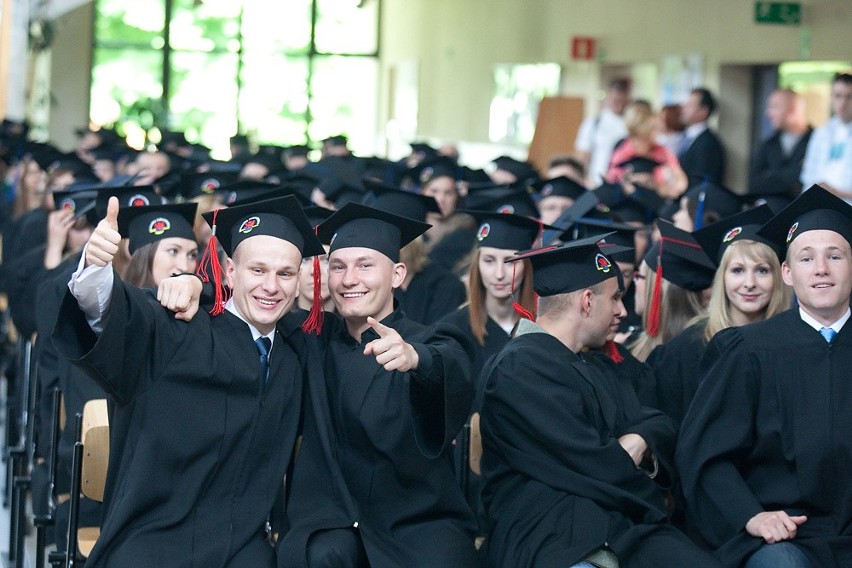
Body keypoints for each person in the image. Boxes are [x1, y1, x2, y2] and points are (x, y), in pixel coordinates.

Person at [51, 195, 325, 567]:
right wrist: (96, 270)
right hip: (155, 537)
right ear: (229, 272)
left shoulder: (295, 356)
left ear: (298, 282)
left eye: (285, 274)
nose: (271, 286)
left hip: (242, 544)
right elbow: (120, 316)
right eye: (257, 270)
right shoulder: (178, 325)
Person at [479, 236, 722, 568]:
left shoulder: (595, 363)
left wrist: (640, 440)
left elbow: (658, 421)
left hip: (618, 529)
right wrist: (630, 462)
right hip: (549, 535)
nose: (622, 310)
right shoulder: (518, 370)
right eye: (616, 298)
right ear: (587, 301)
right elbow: (591, 463)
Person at [277, 202, 478, 568]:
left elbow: (453, 364)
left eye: (365, 265)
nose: (349, 279)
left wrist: (417, 359)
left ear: (398, 274)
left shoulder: (428, 339)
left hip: (414, 521)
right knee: (320, 555)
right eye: (338, 266)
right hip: (331, 518)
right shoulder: (311, 337)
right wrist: (194, 284)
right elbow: (247, 304)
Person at [677, 185, 852, 567]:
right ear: (787, 273)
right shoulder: (747, 351)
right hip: (786, 536)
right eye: (806, 259)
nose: (821, 269)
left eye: (834, 256)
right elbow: (709, 454)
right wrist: (751, 515)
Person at [651, 205, 792, 428]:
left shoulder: (793, 345)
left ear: (779, 277)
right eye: (737, 270)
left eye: (762, 270)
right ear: (721, 277)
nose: (749, 283)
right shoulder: (686, 349)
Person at [629, 220, 716, 362]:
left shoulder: (699, 353)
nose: (634, 282)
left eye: (639, 276)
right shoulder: (633, 344)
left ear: (660, 287)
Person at [606, 100, 688, 200]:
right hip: (621, 201)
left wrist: (656, 184)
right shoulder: (622, 148)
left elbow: (681, 183)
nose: (657, 133)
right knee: (589, 200)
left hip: (650, 205)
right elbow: (610, 177)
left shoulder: (663, 153)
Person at [747, 89, 812, 211]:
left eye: (775, 107)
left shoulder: (816, 141)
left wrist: (771, 176)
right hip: (772, 211)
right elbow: (754, 183)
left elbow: (811, 183)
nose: (768, 113)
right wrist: (793, 177)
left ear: (792, 110)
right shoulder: (768, 144)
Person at [800, 72, 852, 203]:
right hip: (821, 206)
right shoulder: (821, 133)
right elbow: (808, 177)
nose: (843, 103)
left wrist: (837, 193)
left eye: (849, 97)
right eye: (838, 96)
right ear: (831, 97)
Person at [575, 77, 631, 186]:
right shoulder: (595, 123)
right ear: (608, 97)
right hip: (596, 182)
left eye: (621, 101)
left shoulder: (632, 124)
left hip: (623, 185)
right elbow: (582, 155)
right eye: (615, 100)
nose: (618, 105)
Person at [678, 87, 726, 186]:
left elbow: (702, 182)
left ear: (703, 111)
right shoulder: (685, 137)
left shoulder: (709, 144)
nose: (684, 108)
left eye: (690, 105)